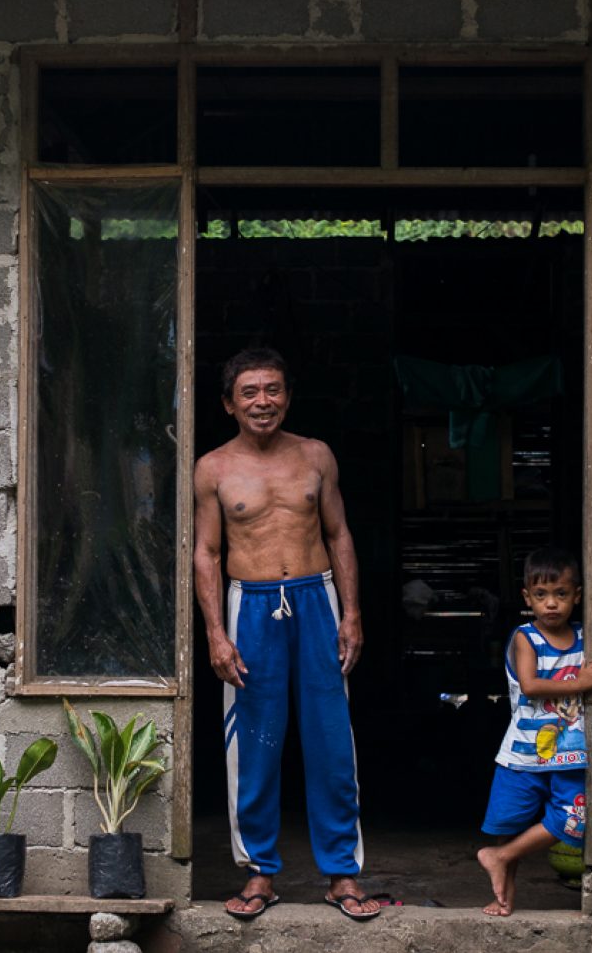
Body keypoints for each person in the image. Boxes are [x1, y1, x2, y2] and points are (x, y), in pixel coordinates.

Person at [193, 347, 380, 923]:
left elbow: (340, 533)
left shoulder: (316, 456)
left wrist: (351, 613)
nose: (262, 401)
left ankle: (342, 875)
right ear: (229, 404)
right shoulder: (213, 468)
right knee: (254, 741)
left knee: (330, 738)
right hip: (248, 606)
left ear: (287, 396)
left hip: (315, 598)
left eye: (272, 389)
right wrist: (216, 634)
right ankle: (259, 873)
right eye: (249, 392)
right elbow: (206, 552)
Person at [477, 547, 592, 917]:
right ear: (528, 598)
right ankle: (503, 897)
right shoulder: (526, 637)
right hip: (523, 753)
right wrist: (579, 682)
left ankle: (500, 857)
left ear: (577, 596)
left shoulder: (584, 637)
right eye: (541, 596)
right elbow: (530, 685)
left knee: (574, 817)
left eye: (560, 594)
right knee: (509, 825)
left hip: (569, 753)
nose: (551, 604)